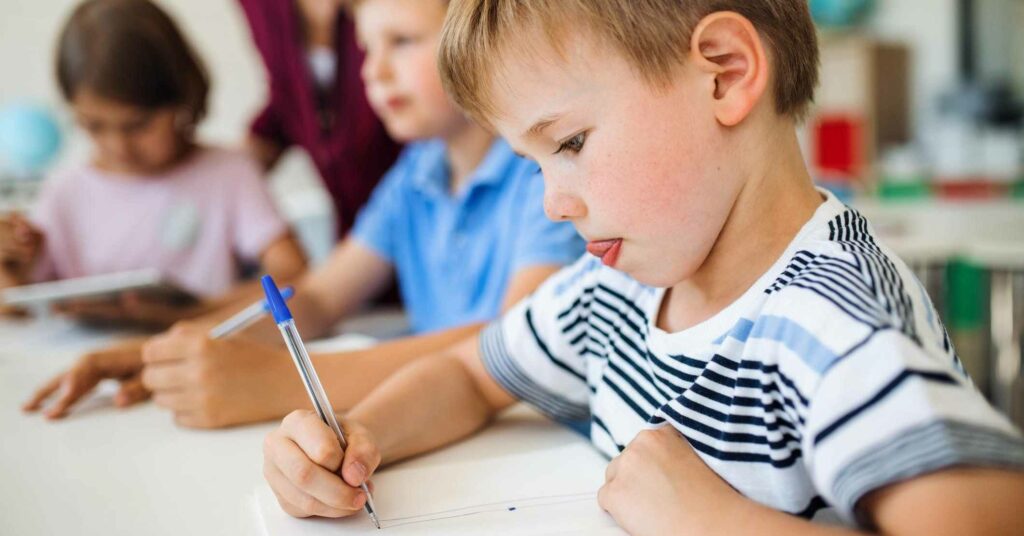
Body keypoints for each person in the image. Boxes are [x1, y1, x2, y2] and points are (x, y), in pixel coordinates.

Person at [261, 0, 1024, 533]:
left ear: (723, 74)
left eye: (568, 145)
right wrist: (355, 439)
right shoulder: (614, 290)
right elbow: (469, 375)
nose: (554, 204)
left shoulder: (835, 324)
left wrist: (713, 523)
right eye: (532, 165)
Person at [23, 0, 583, 429]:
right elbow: (313, 300)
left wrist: (275, 384)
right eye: (368, 47)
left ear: (476, 44)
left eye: (403, 42)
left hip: (526, 435)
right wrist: (169, 350)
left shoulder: (537, 173)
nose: (374, 73)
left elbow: (512, 342)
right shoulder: (414, 174)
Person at [0, 0, 306, 329]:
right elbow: (15, 308)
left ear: (181, 100)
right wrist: (10, 269)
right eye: (94, 126)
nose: (118, 146)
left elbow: (294, 275)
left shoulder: (229, 174)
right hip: (83, 369)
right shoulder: (64, 192)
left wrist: (197, 311)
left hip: (198, 357)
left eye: (137, 126)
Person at [238, 0, 402, 237]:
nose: (373, 72)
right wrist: (232, 169)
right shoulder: (260, 6)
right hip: (355, 226)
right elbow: (288, 94)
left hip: (408, 193)